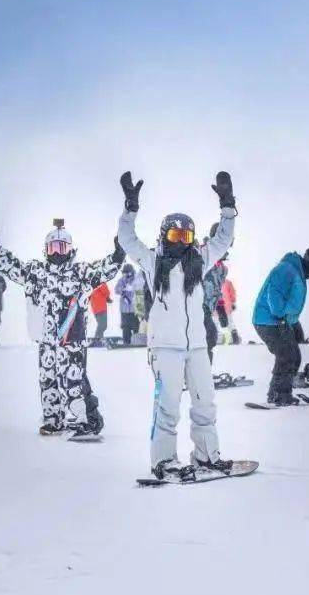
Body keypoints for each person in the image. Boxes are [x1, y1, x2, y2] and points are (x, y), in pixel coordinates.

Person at [117, 170, 237, 480]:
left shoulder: (200, 259)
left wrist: (227, 205)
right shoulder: (153, 261)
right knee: (168, 406)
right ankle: (164, 461)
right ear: (164, 236)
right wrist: (130, 208)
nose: (181, 243)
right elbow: (126, 239)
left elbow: (224, 239)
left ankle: (206, 457)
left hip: (196, 345)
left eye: (186, 237)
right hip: (165, 347)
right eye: (175, 236)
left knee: (205, 405)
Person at [0, 217, 123, 440]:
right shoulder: (37, 273)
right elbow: (15, 269)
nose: (57, 253)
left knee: (72, 380)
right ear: (46, 250)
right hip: (47, 340)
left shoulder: (80, 272)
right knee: (48, 380)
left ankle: (88, 420)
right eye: (52, 247)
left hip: (71, 339)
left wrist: (117, 255)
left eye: (61, 247)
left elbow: (102, 271)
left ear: (70, 249)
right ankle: (53, 419)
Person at [253, 246, 309, 405]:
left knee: (294, 356)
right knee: (287, 355)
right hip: (268, 320)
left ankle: (279, 392)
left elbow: (291, 303)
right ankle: (279, 394)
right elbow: (273, 293)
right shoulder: (287, 269)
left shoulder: (297, 272)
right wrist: (281, 317)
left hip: (278, 320)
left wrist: (295, 324)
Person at [201, 223, 230, 362]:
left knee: (210, 337)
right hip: (193, 307)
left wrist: (221, 310)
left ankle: (203, 374)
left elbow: (216, 291)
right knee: (207, 336)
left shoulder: (222, 269)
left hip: (206, 309)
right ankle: (193, 374)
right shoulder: (200, 256)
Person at [115, 263, 141, 344]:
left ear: (131, 272)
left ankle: (137, 341)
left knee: (137, 326)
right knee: (125, 327)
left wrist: (132, 289)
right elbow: (116, 289)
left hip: (135, 309)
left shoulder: (137, 279)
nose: (125, 275)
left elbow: (140, 291)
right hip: (125, 310)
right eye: (124, 273)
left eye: (127, 273)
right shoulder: (122, 280)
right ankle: (126, 342)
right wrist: (123, 290)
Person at [217, 270, 240, 344]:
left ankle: (216, 338)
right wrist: (233, 302)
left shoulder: (214, 282)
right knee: (229, 322)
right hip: (225, 306)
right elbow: (233, 293)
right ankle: (234, 337)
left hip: (218, 306)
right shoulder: (227, 282)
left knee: (216, 322)